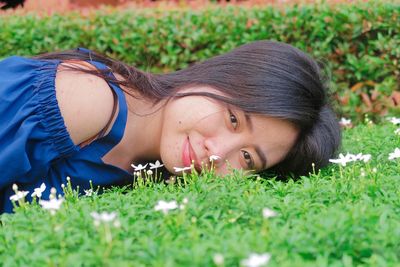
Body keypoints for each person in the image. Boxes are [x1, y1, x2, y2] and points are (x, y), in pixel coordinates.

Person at [0, 40, 341, 213]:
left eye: (248, 158)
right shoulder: (90, 101)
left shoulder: (147, 167)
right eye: (234, 119)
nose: (218, 153)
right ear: (214, 77)